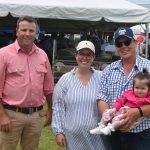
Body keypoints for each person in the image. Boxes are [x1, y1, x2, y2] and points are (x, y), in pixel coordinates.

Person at [0, 16, 54, 150]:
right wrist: (2, 116)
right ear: (17, 31)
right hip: (11, 114)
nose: (28, 34)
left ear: (36, 33)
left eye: (31, 30)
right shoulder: (3, 54)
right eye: (24, 30)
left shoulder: (42, 55)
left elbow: (48, 88)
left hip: (35, 116)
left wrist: (51, 111)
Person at [97, 27, 150, 150]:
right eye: (119, 43)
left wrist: (138, 112)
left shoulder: (149, 67)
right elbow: (102, 97)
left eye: (127, 42)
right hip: (113, 134)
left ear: (135, 43)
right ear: (115, 47)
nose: (123, 46)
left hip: (142, 135)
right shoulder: (108, 70)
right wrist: (109, 119)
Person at [52, 41, 105, 150]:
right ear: (76, 55)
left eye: (88, 54)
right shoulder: (65, 79)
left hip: (97, 136)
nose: (84, 58)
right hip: (73, 137)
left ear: (93, 57)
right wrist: (58, 131)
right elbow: (58, 107)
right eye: (81, 54)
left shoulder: (102, 78)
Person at [90, 68, 150, 135]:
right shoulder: (129, 93)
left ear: (148, 89)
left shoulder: (148, 98)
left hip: (135, 121)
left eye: (143, 88)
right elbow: (120, 101)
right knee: (108, 112)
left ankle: (110, 128)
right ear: (133, 87)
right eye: (137, 88)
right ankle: (101, 126)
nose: (139, 91)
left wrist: (139, 111)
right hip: (122, 110)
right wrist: (114, 109)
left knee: (120, 119)